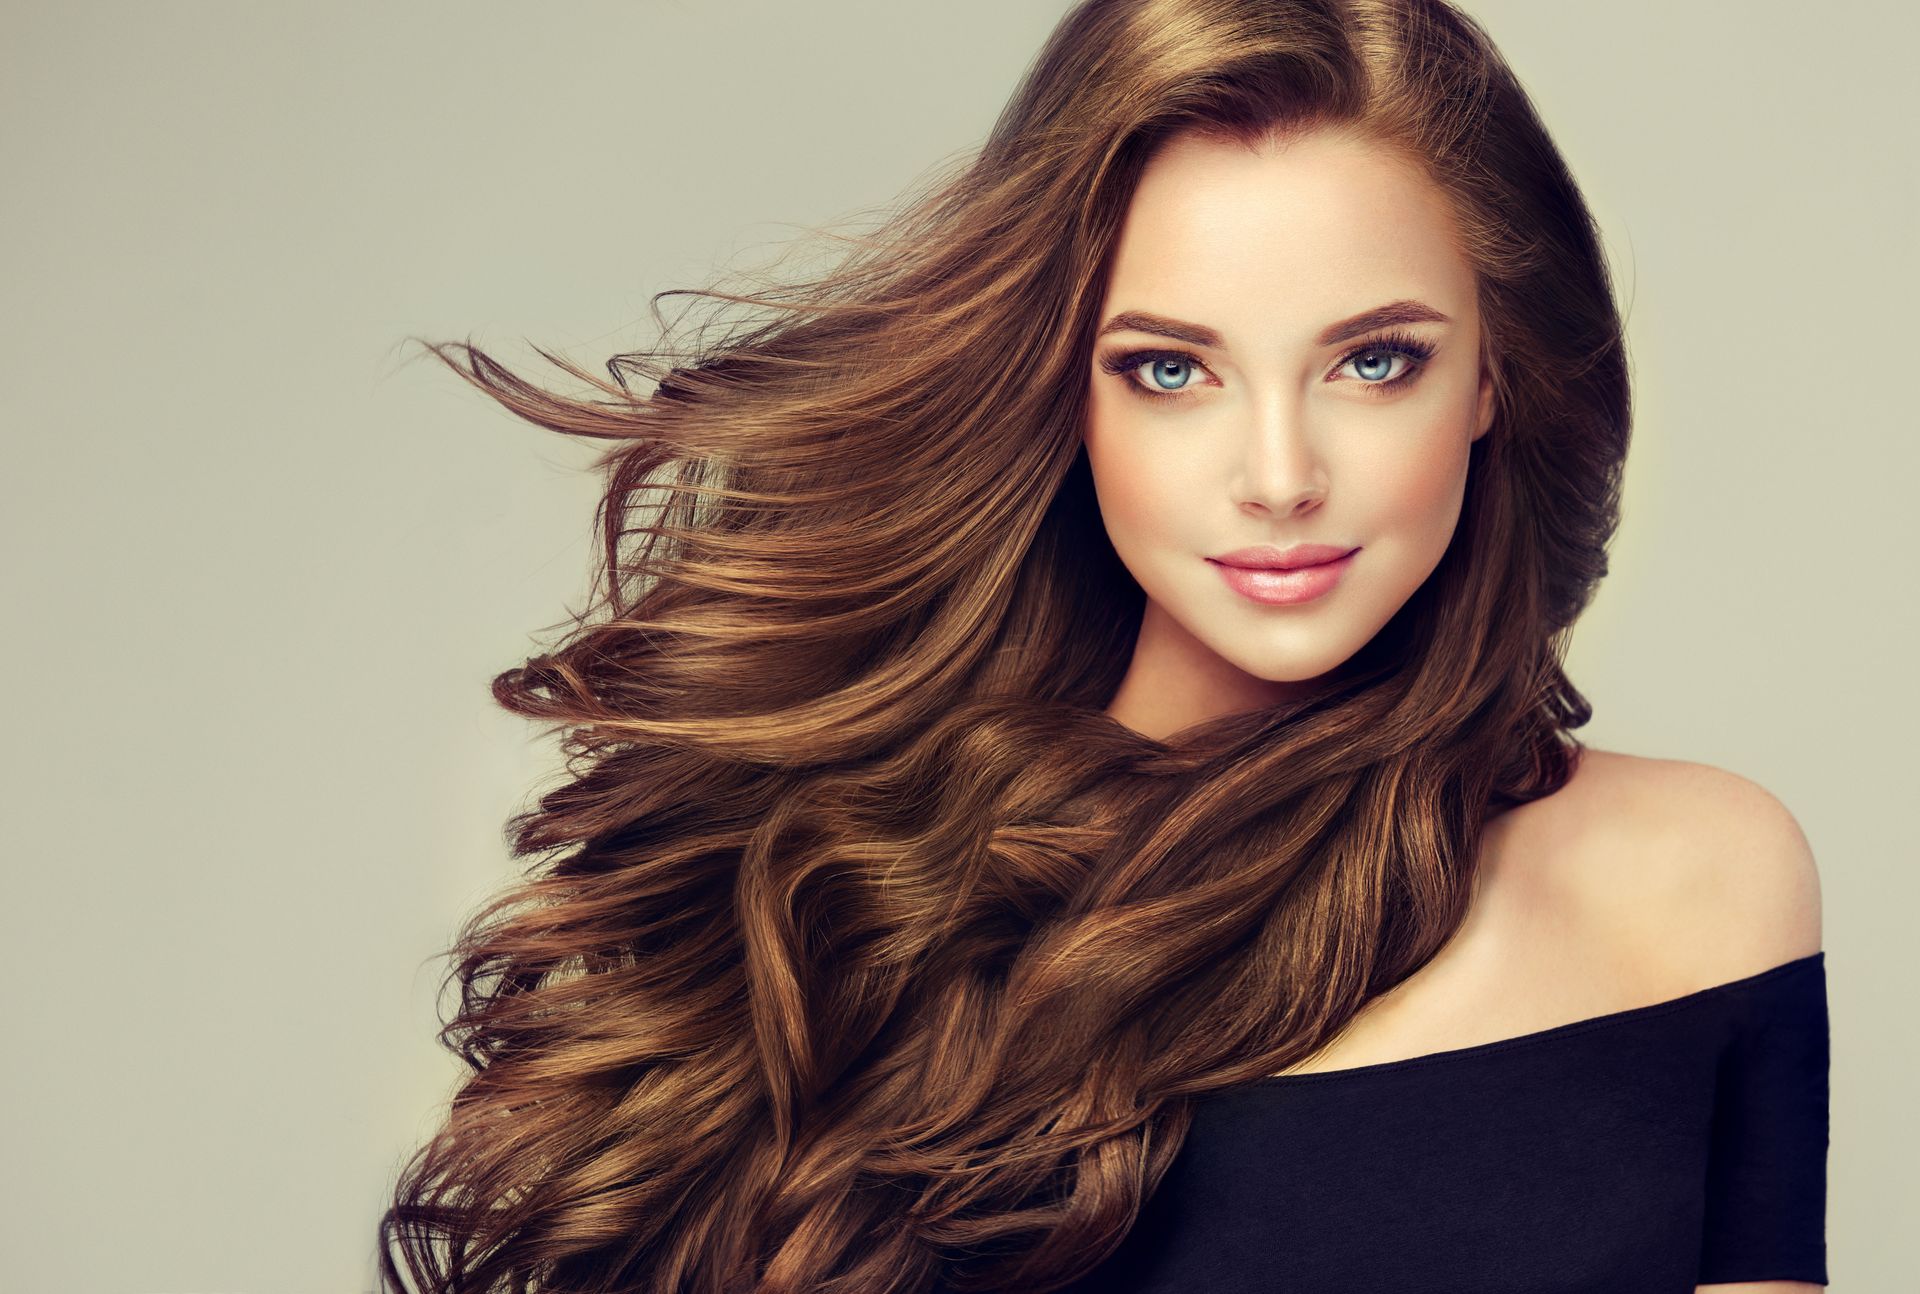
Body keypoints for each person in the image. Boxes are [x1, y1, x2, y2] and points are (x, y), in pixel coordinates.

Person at [379, 1, 1829, 1291]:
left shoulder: (1699, 883)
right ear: (1066, 394)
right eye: (1170, 370)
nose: (1278, 472)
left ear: (1493, 374)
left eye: (1373, 360)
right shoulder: (859, 901)